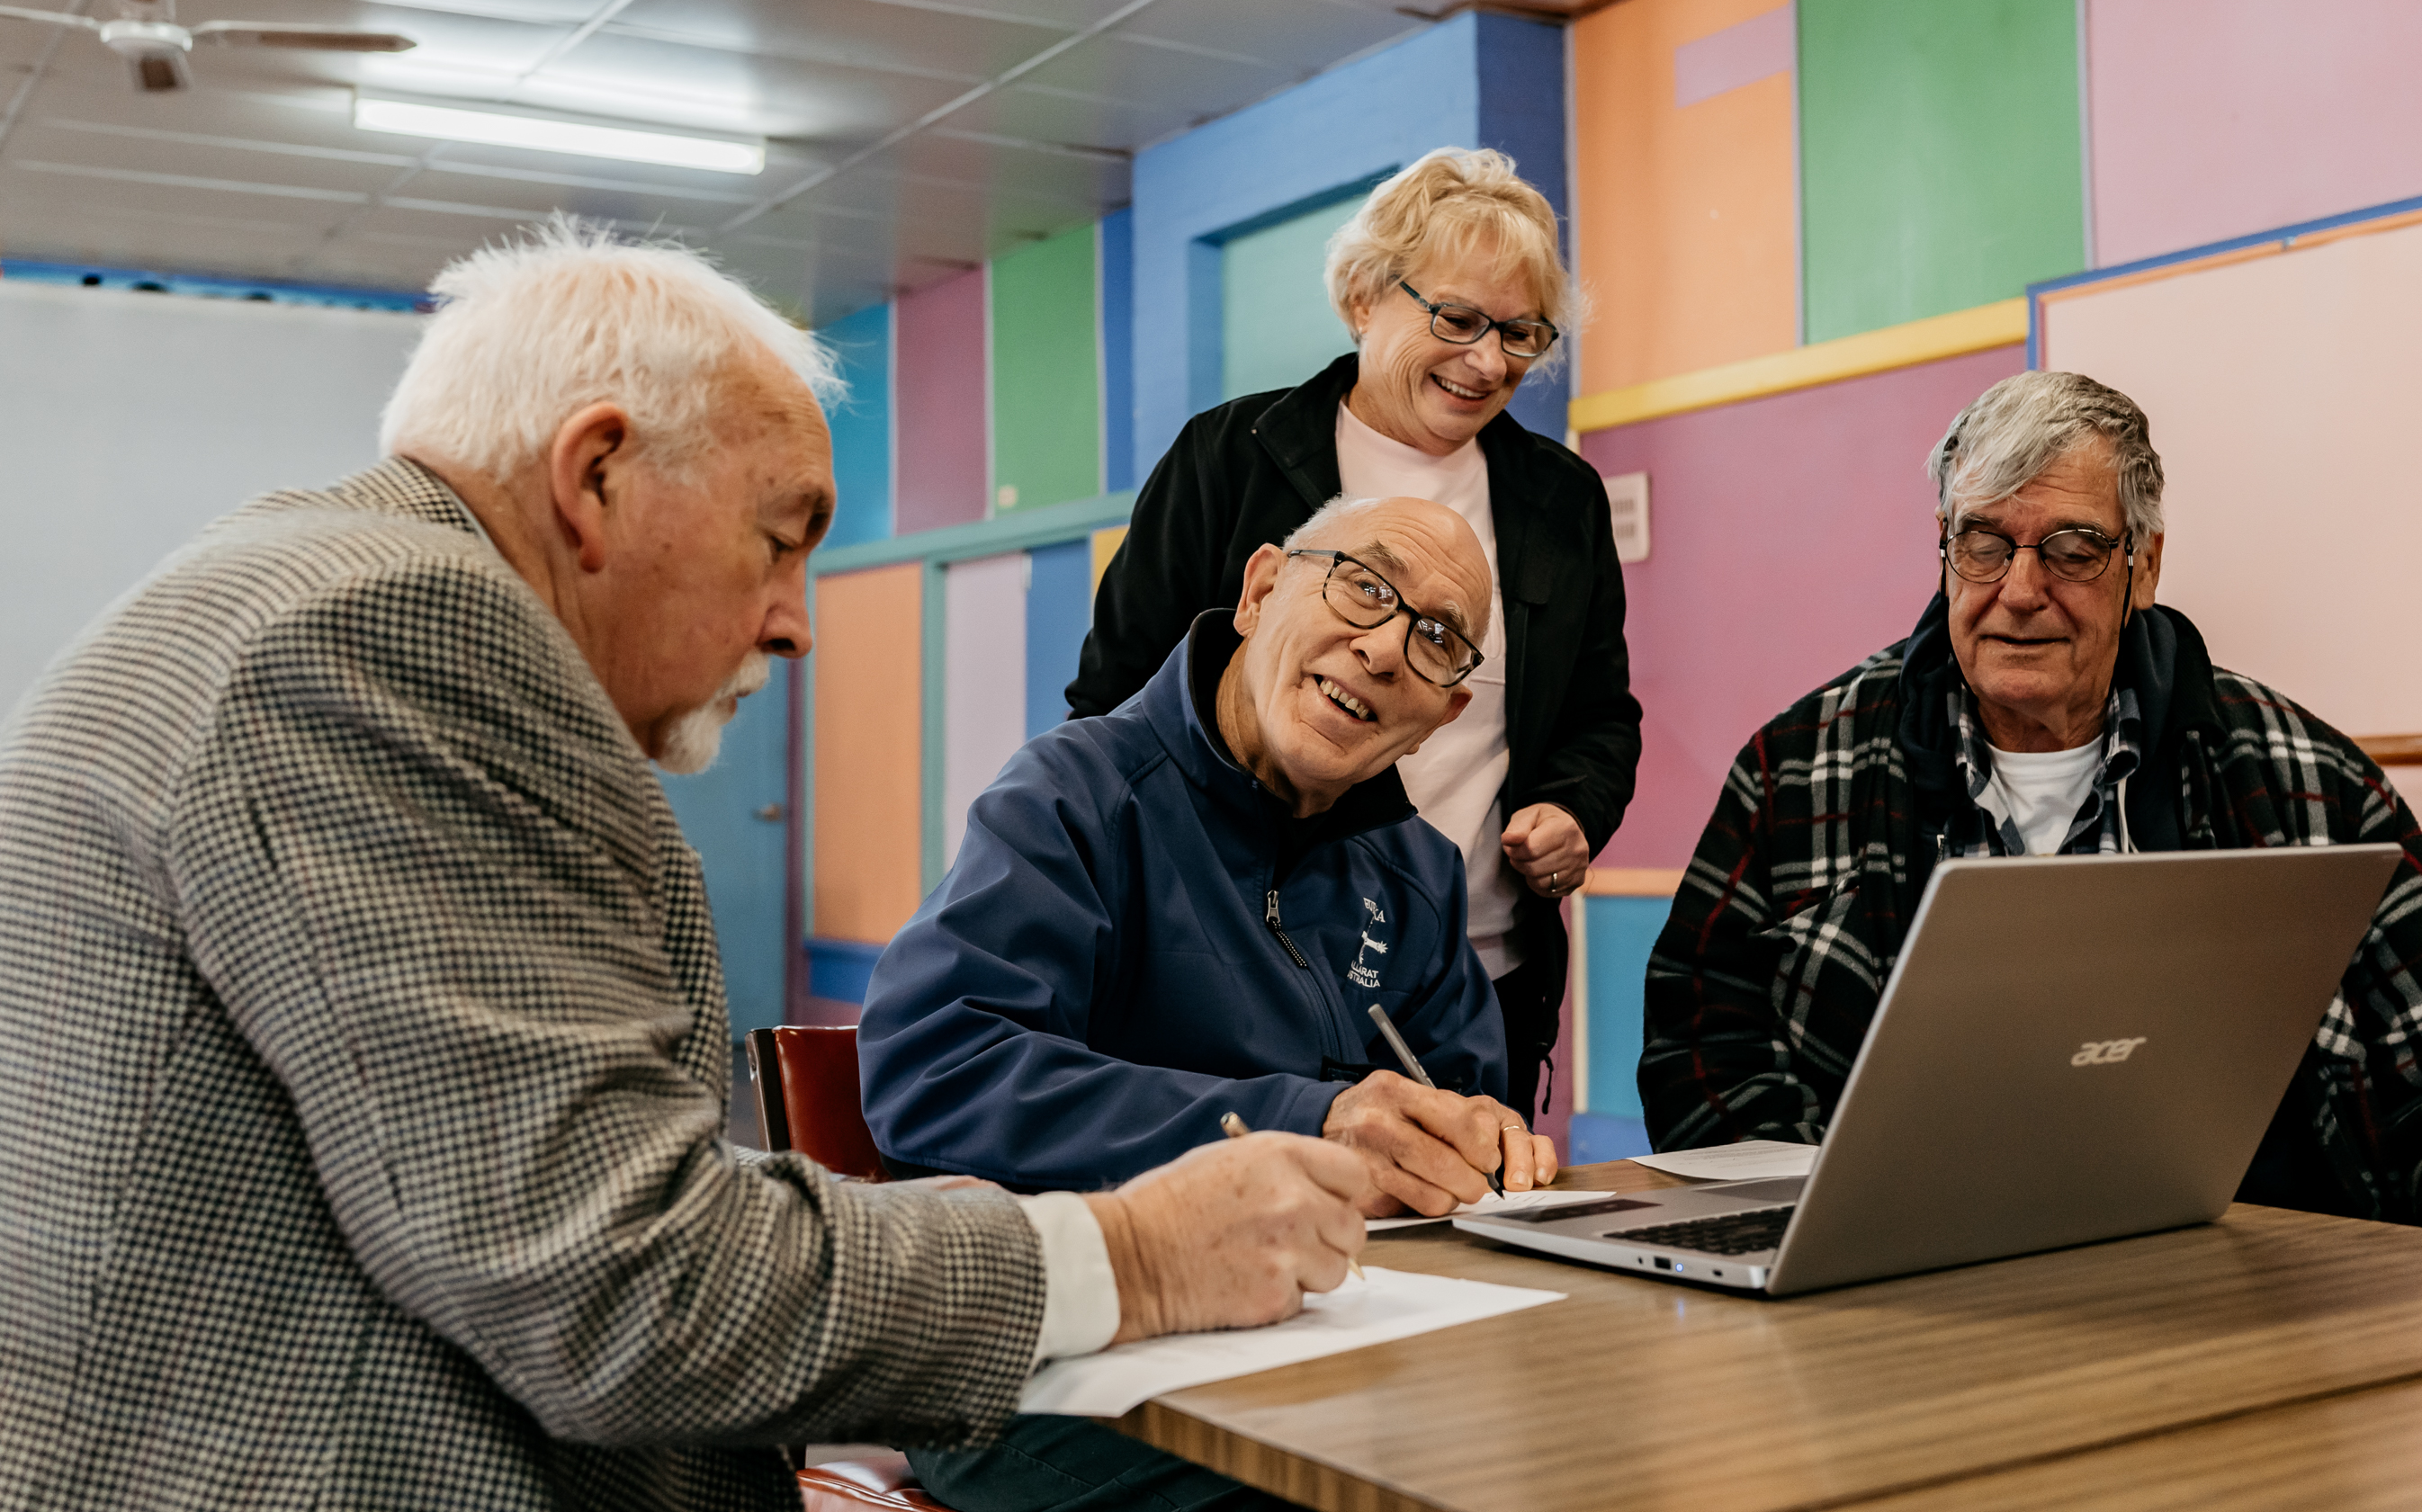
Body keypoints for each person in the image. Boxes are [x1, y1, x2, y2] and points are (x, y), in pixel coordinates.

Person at [0, 222, 1369, 1509]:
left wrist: (846, 1225)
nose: (796, 625)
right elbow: (615, 1287)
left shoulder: (277, 578)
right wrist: (1125, 1256)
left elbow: (463, 1179)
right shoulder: (402, 629)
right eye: (781, 541)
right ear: (594, 477)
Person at [1639, 371, 2422, 1253]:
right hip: (1890, 1301)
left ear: (2144, 567)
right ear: (1945, 549)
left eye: (2071, 550)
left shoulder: (2301, 779)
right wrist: (1820, 1242)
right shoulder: (1801, 766)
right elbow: (1700, 1050)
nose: (2020, 590)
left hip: (2258, 1304)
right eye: (1984, 544)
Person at [865, 494, 1558, 1512]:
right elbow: (937, 1065)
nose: (1382, 649)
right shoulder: (1076, 793)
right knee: (1381, 1474)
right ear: (1262, 588)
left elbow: (1454, 1107)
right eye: (1365, 585)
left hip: (1324, 1336)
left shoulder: (1417, 871)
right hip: (1053, 1358)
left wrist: (1477, 1143)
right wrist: (1301, 1120)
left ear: (1446, 711)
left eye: (1438, 638)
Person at [1069, 148, 1639, 1120]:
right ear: (1366, 295)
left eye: (1522, 333)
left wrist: (1574, 808)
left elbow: (1598, 710)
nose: (1489, 361)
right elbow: (1117, 701)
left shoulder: (1560, 498)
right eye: (1457, 319)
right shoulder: (1230, 457)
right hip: (1242, 972)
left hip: (1474, 974)